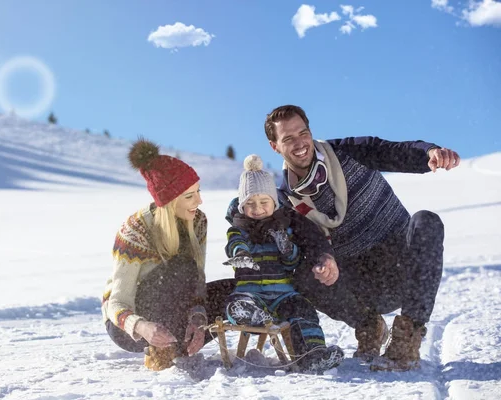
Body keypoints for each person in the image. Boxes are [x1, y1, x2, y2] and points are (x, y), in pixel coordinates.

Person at [253, 104, 460, 372]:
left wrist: (430, 153)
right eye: (288, 139)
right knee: (303, 271)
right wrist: (322, 259)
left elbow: (390, 151)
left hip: (401, 266)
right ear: (274, 146)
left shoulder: (346, 152)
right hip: (358, 283)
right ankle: (368, 326)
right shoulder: (285, 199)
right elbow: (304, 243)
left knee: (426, 221)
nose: (299, 143)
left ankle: (407, 337)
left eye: (302, 133)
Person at [102, 138, 230, 371]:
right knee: (180, 266)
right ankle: (163, 352)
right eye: (189, 196)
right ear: (170, 201)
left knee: (234, 290)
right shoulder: (135, 230)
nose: (199, 201)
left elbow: (197, 280)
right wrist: (142, 327)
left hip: (175, 312)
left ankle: (181, 341)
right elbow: (116, 303)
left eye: (198, 192)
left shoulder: (198, 221)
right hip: (130, 327)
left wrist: (199, 319)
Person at [223, 154, 344, 373]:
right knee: (238, 303)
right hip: (250, 292)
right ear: (242, 206)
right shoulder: (238, 229)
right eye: (250, 203)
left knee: (303, 309)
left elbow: (292, 264)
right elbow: (234, 244)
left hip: (282, 294)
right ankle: (251, 314)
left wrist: (287, 248)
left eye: (263, 202)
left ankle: (312, 354)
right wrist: (241, 253)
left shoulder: (284, 229)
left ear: (274, 202)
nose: (257, 208)